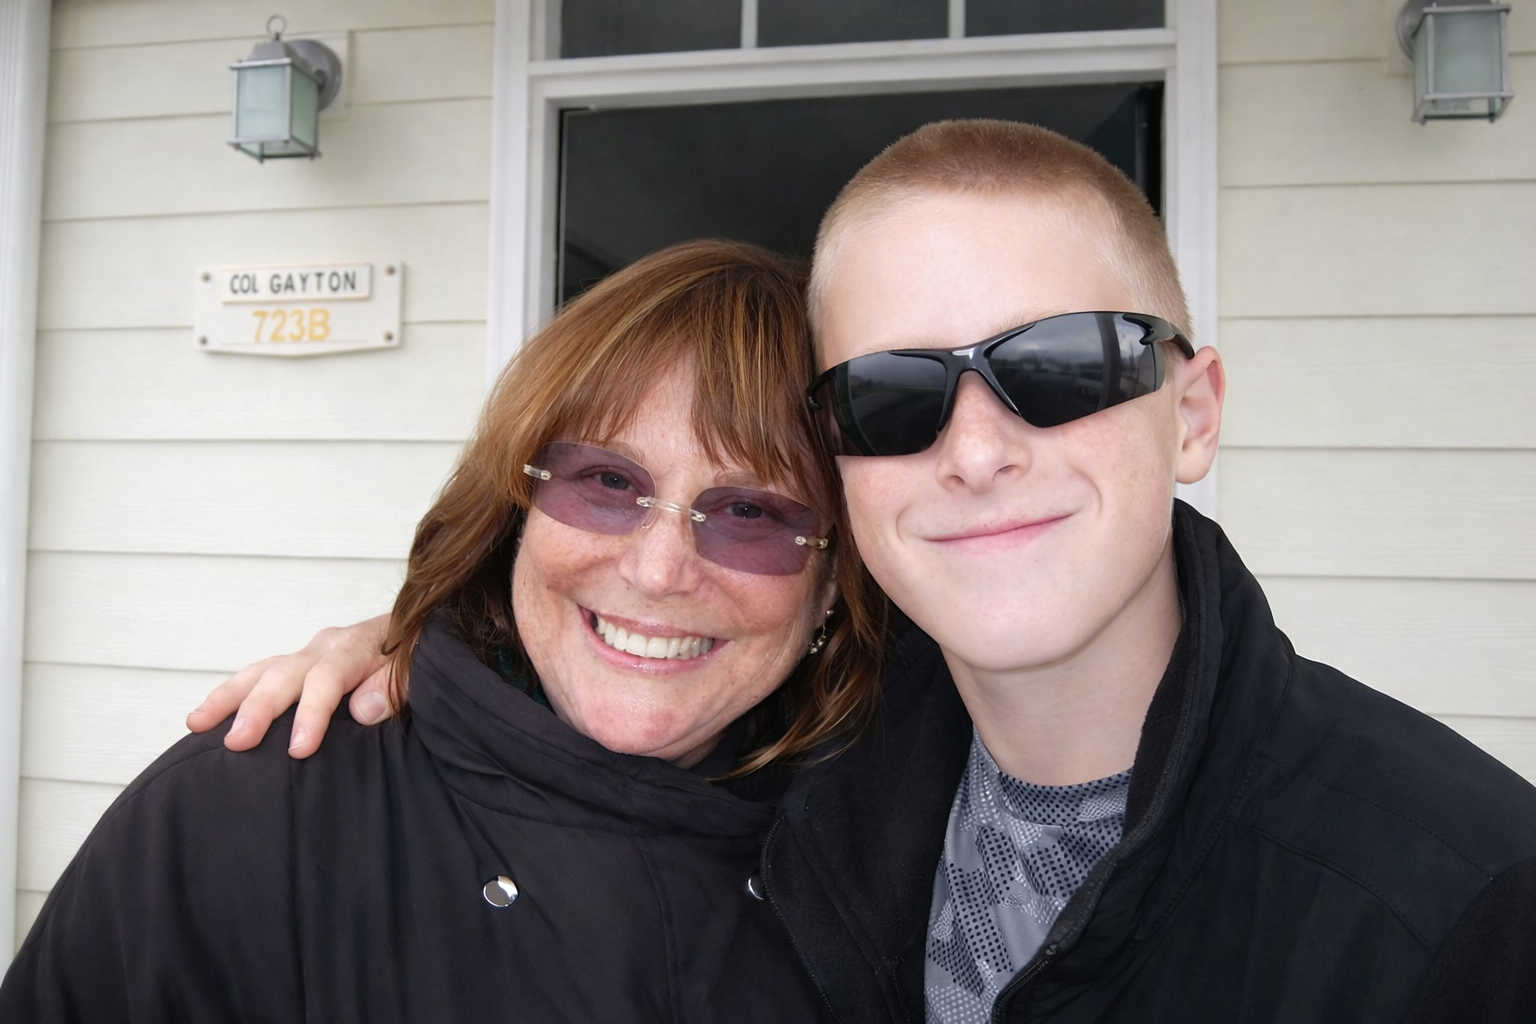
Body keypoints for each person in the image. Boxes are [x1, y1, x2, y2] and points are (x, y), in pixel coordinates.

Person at [199, 119, 1536, 1023]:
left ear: (1192, 413)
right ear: (839, 470)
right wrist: (425, 653)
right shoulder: (805, 762)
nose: (977, 451)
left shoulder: (1470, 900)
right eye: (893, 397)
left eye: (1062, 365)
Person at [0, 240, 887, 1022]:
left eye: (748, 513)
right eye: (608, 483)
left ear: (835, 583)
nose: (658, 571)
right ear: (514, 514)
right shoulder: (245, 818)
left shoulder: (898, 848)